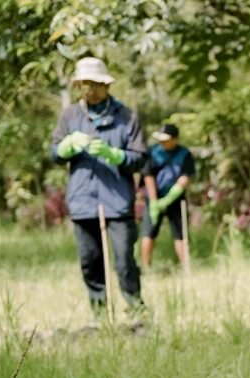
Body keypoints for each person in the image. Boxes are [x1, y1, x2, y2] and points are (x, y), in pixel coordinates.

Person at [51, 57, 146, 315]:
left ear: (106, 85)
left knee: (125, 260)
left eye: (95, 84)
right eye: (84, 85)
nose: (90, 90)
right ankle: (99, 313)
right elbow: (55, 153)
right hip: (83, 201)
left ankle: (135, 309)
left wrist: (115, 155)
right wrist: (67, 146)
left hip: (117, 200)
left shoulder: (127, 117)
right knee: (90, 261)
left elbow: (139, 158)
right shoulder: (70, 116)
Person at [140, 123, 195, 269]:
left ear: (175, 139)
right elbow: (148, 175)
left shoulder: (184, 154)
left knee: (180, 235)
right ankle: (146, 267)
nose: (162, 142)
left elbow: (186, 177)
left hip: (176, 200)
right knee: (148, 232)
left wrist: (169, 199)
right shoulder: (153, 152)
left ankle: (187, 267)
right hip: (153, 198)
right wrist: (154, 201)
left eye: (166, 139)